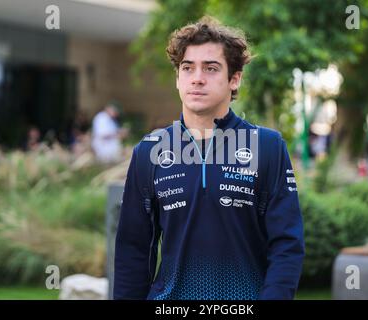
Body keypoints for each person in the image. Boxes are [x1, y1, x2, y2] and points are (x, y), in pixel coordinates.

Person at [114, 17, 304, 300]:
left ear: (234, 78)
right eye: (187, 68)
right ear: (178, 78)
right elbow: (133, 248)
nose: (197, 77)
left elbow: (287, 245)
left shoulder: (267, 146)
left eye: (211, 68)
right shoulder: (150, 151)